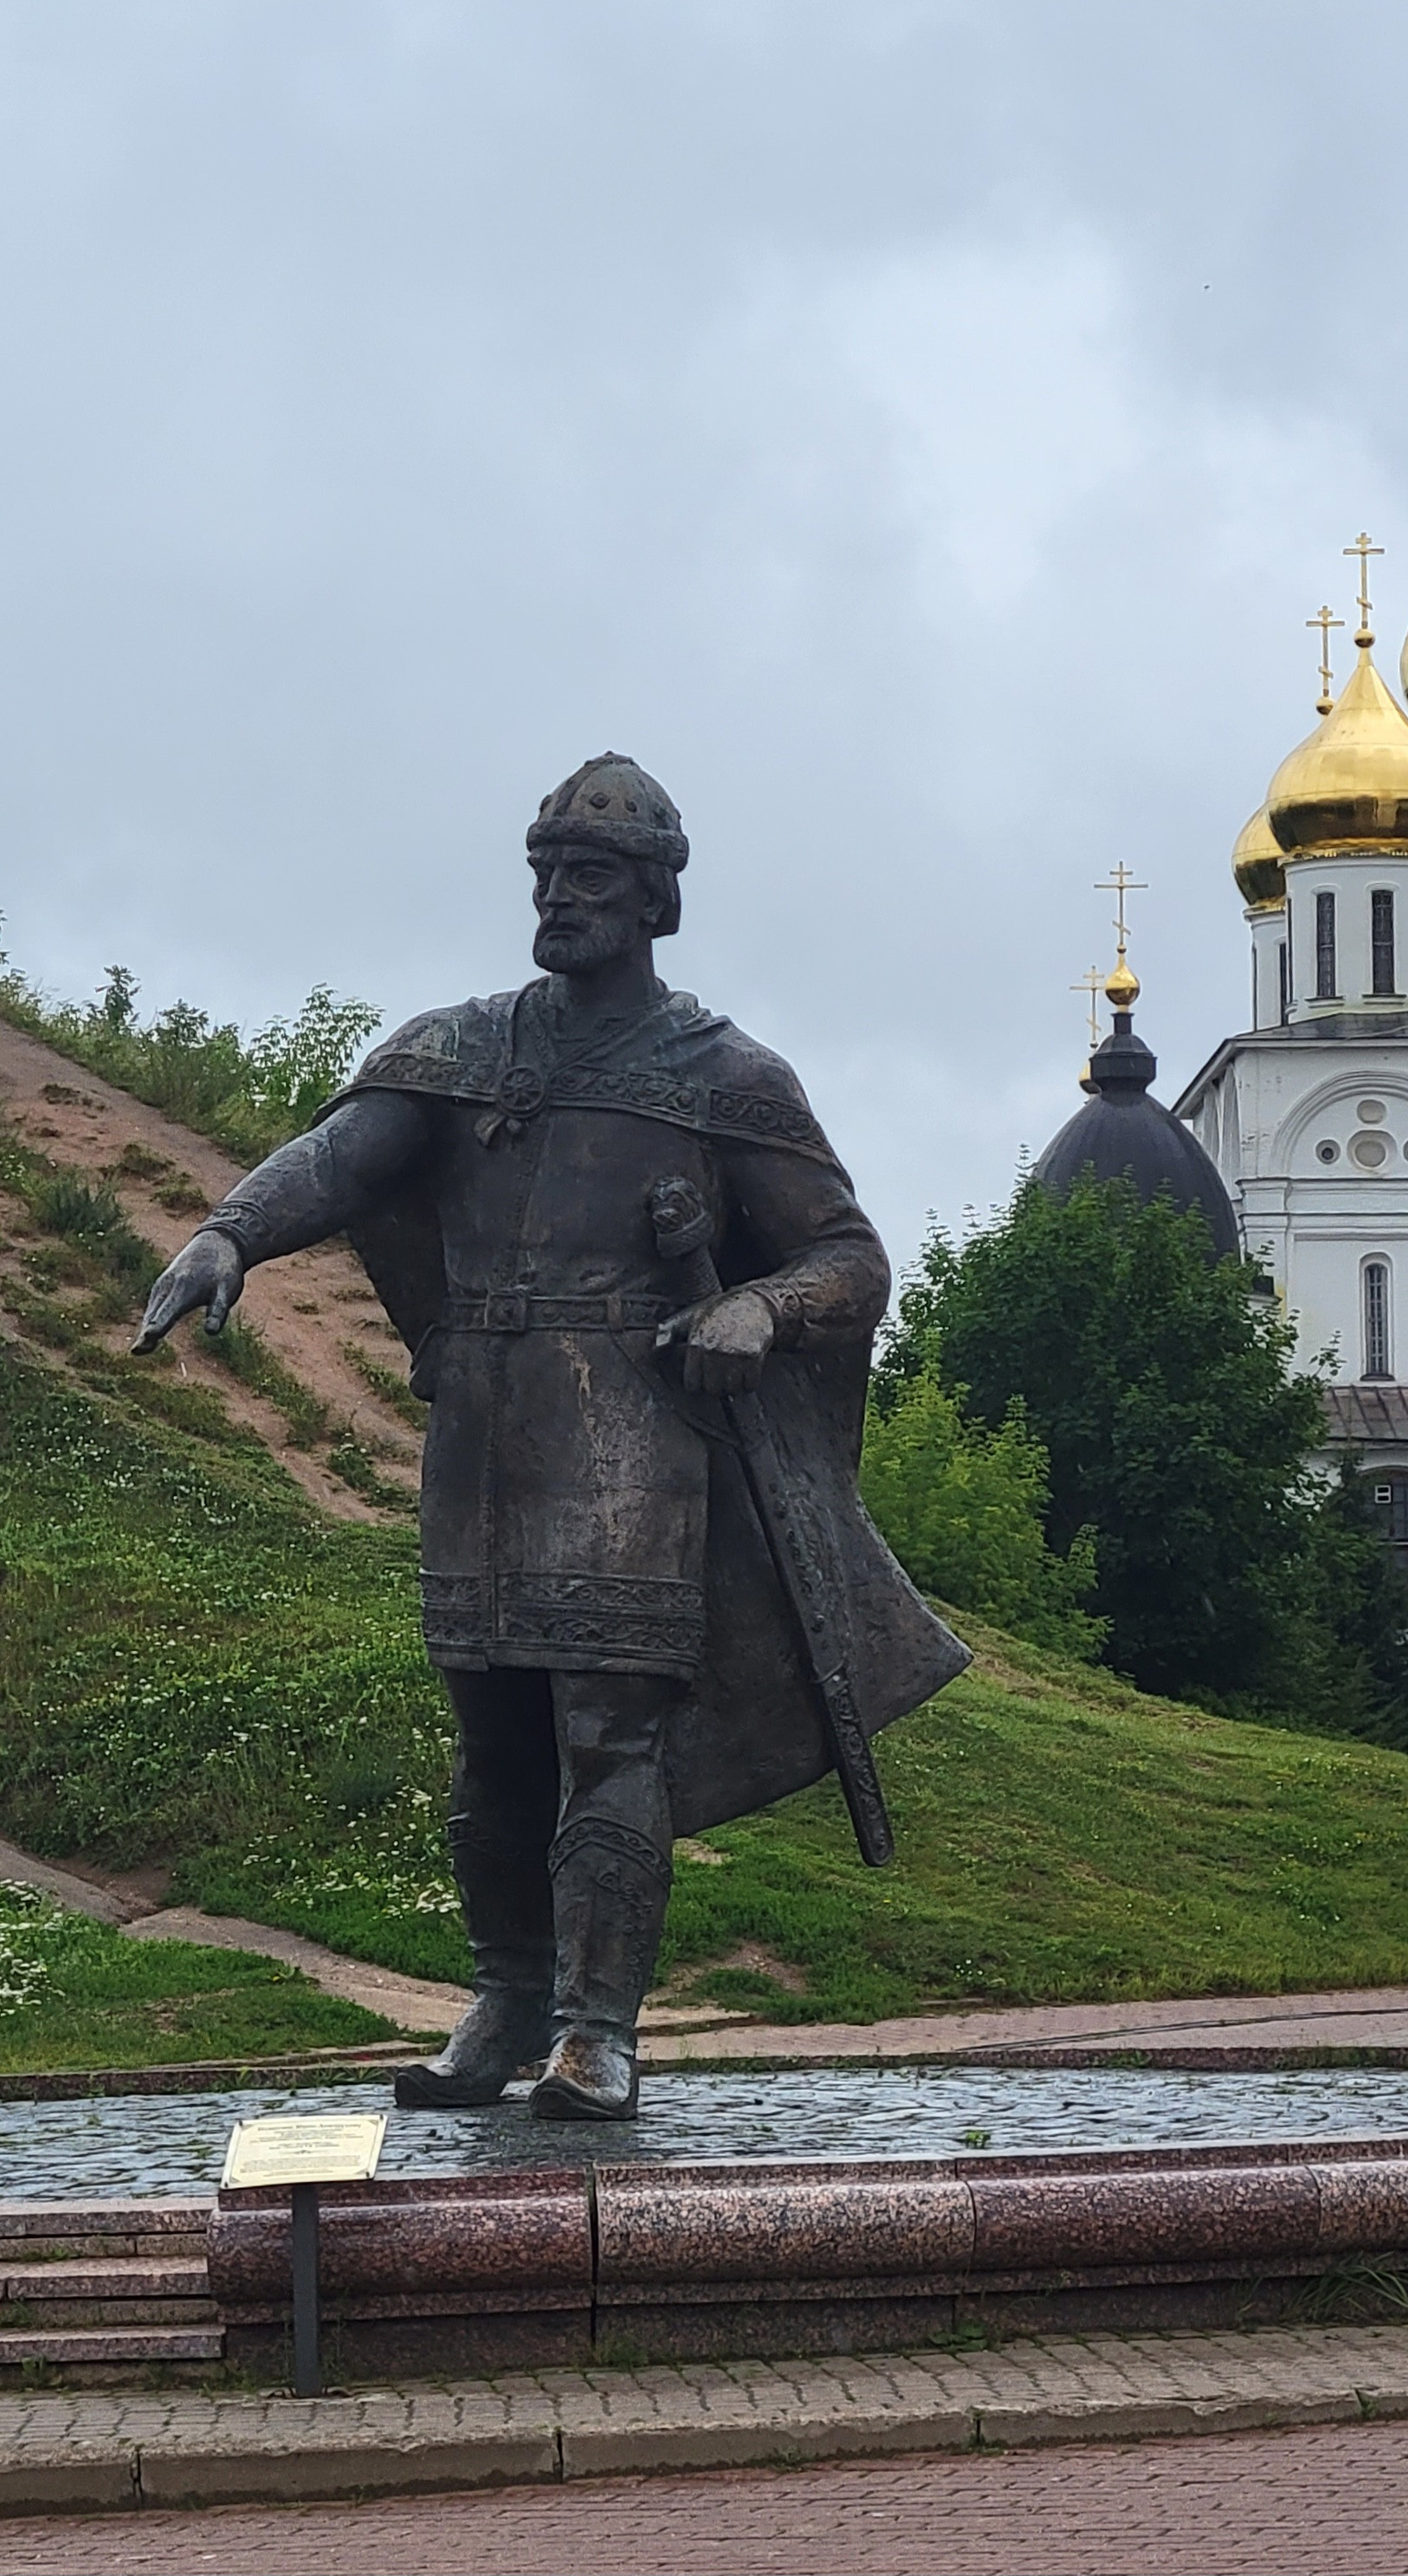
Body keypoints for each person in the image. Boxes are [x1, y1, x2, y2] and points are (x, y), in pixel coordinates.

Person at [133, 754, 967, 2123]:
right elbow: (342, 1155)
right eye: (543, 873)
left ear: (651, 900)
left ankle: (597, 2027)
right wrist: (232, 1228)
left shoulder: (725, 1075)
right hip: (484, 1428)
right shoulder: (462, 1048)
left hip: (636, 1439)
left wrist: (759, 1305)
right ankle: (506, 1993)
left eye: (586, 877)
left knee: (610, 1731)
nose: (555, 897)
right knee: (491, 1740)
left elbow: (847, 1257)